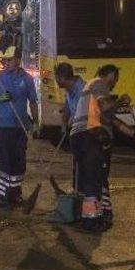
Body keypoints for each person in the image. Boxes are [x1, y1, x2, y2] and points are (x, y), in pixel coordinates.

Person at [69, 64, 135, 232]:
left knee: (95, 178)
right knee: (93, 179)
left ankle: (97, 217)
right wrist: (120, 101)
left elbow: (114, 121)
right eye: (114, 80)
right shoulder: (98, 83)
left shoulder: (95, 92)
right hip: (89, 136)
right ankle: (91, 222)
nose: (114, 85)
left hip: (84, 137)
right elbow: (106, 106)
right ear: (109, 75)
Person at [0, 46, 39, 209]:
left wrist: (35, 123)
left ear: (17, 60)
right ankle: (1, 195)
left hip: (21, 127)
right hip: (3, 127)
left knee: (18, 162)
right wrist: (1, 98)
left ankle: (15, 194)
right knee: (5, 162)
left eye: (9, 60)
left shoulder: (28, 79)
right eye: (4, 60)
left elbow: (33, 102)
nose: (6, 63)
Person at [54, 62, 85, 191]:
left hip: (85, 133)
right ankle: (76, 189)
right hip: (76, 133)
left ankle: (82, 192)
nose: (56, 82)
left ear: (62, 78)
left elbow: (79, 114)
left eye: (57, 79)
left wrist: (70, 124)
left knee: (82, 165)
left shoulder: (82, 90)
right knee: (76, 164)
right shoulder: (69, 88)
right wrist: (63, 125)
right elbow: (67, 107)